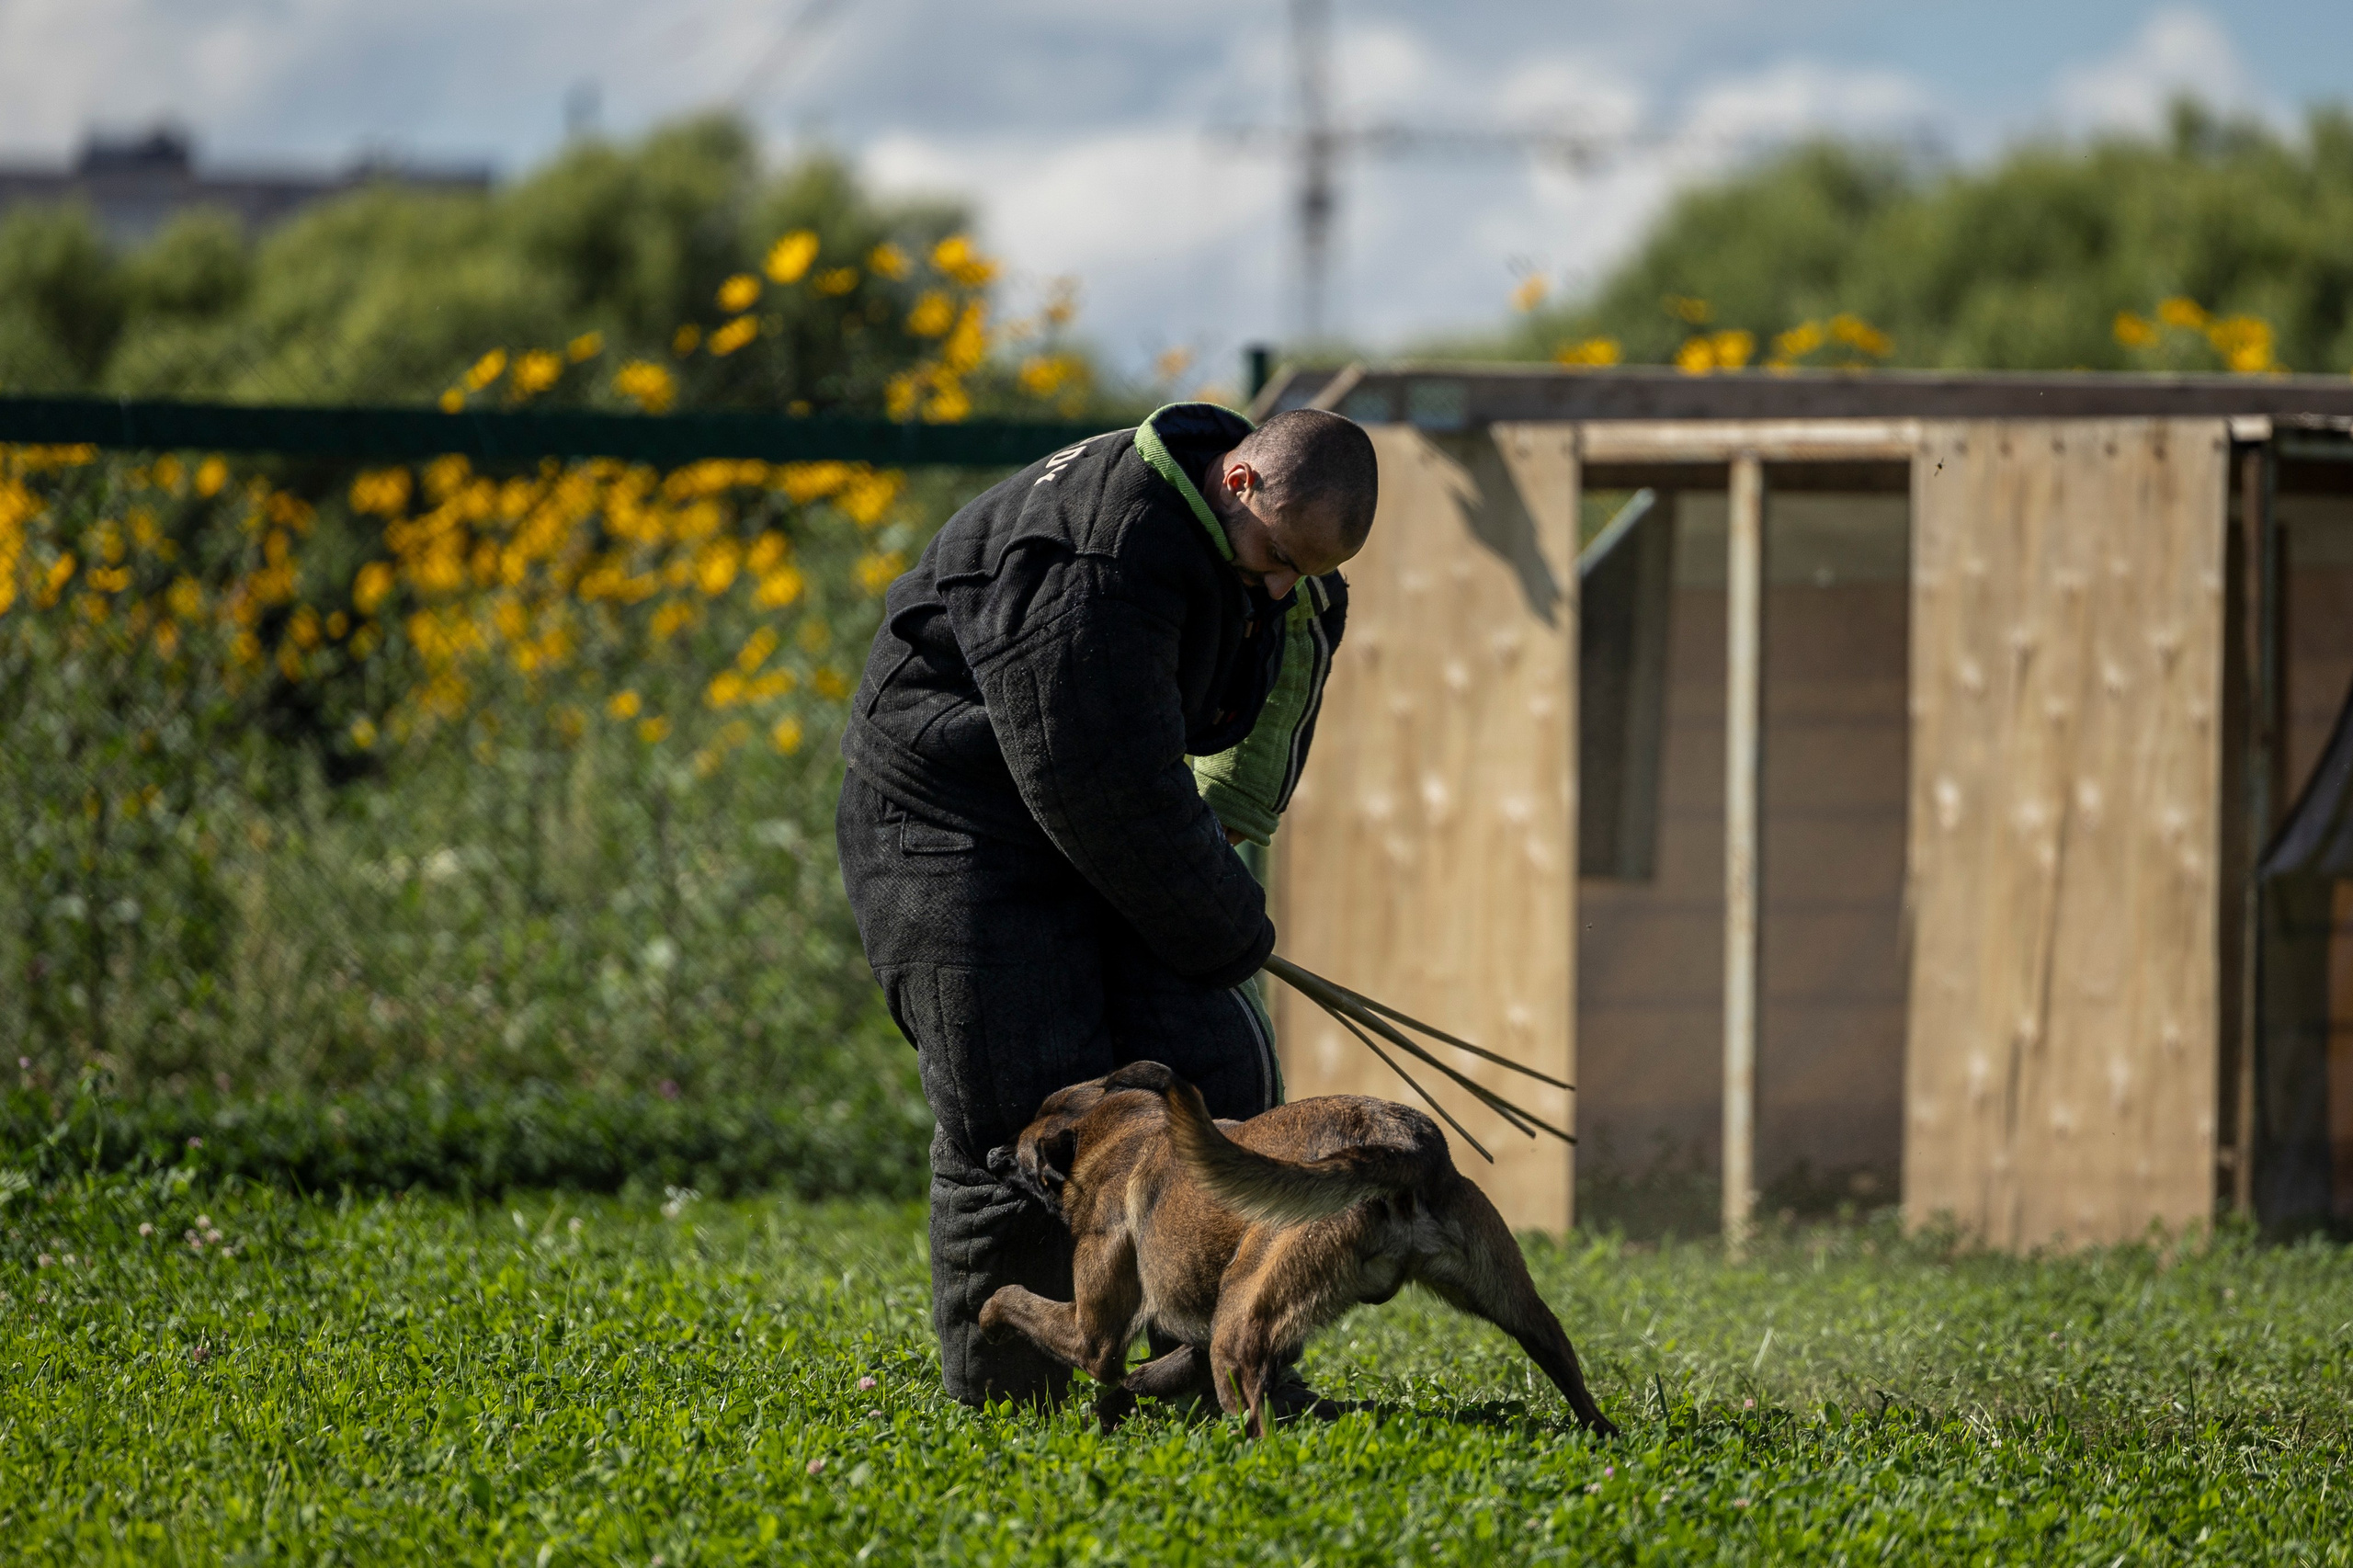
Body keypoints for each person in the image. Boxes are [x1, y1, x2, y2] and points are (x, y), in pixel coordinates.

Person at [836, 400, 1378, 1407]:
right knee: (1032, 1113)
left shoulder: (1270, 551)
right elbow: (1102, 788)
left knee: (1210, 1074)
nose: (1280, 586)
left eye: (1302, 572)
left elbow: (1281, 665)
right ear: (1240, 480)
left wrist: (1223, 836)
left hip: (1096, 810)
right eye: (1275, 559)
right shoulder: (1092, 560)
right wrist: (1227, 924)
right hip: (952, 820)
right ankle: (1018, 1398)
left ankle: (1221, 1378)